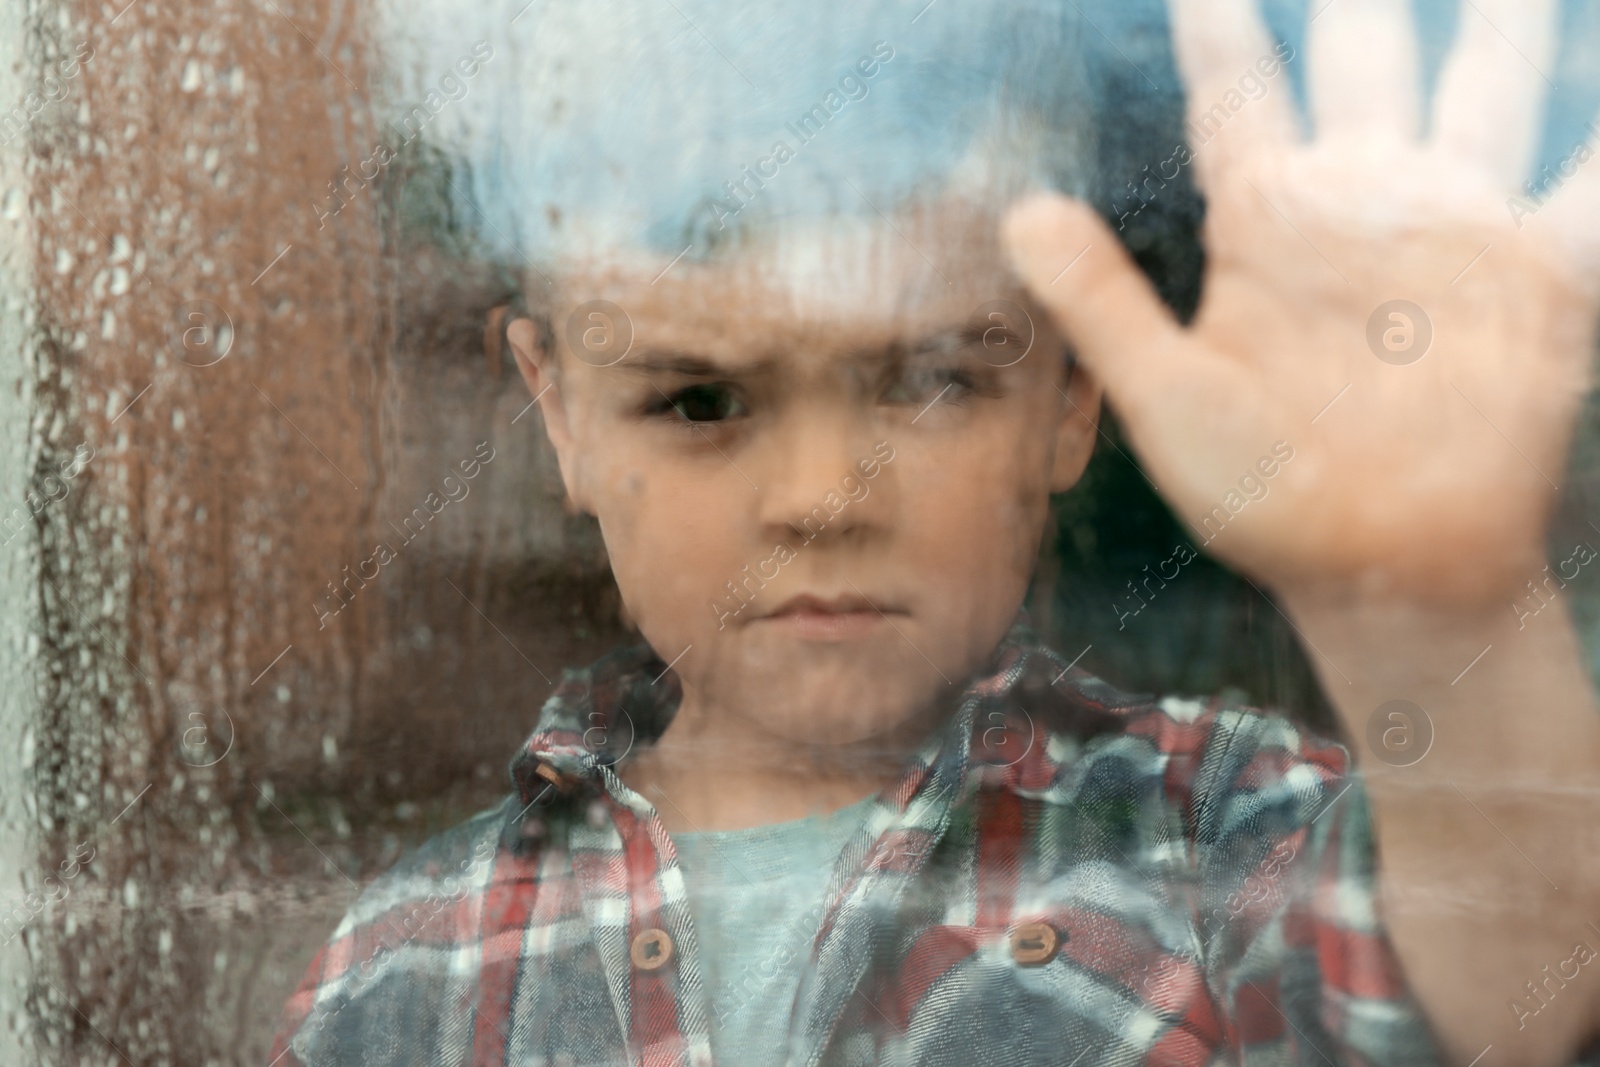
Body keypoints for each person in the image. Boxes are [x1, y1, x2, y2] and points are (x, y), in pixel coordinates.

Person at [273, 0, 1600, 1063]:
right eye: (698, 400)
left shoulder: (1217, 837)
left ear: (1070, 392)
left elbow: (1506, 986)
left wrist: (1435, 610)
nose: (822, 496)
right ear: (556, 411)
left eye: (929, 382)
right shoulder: (401, 966)